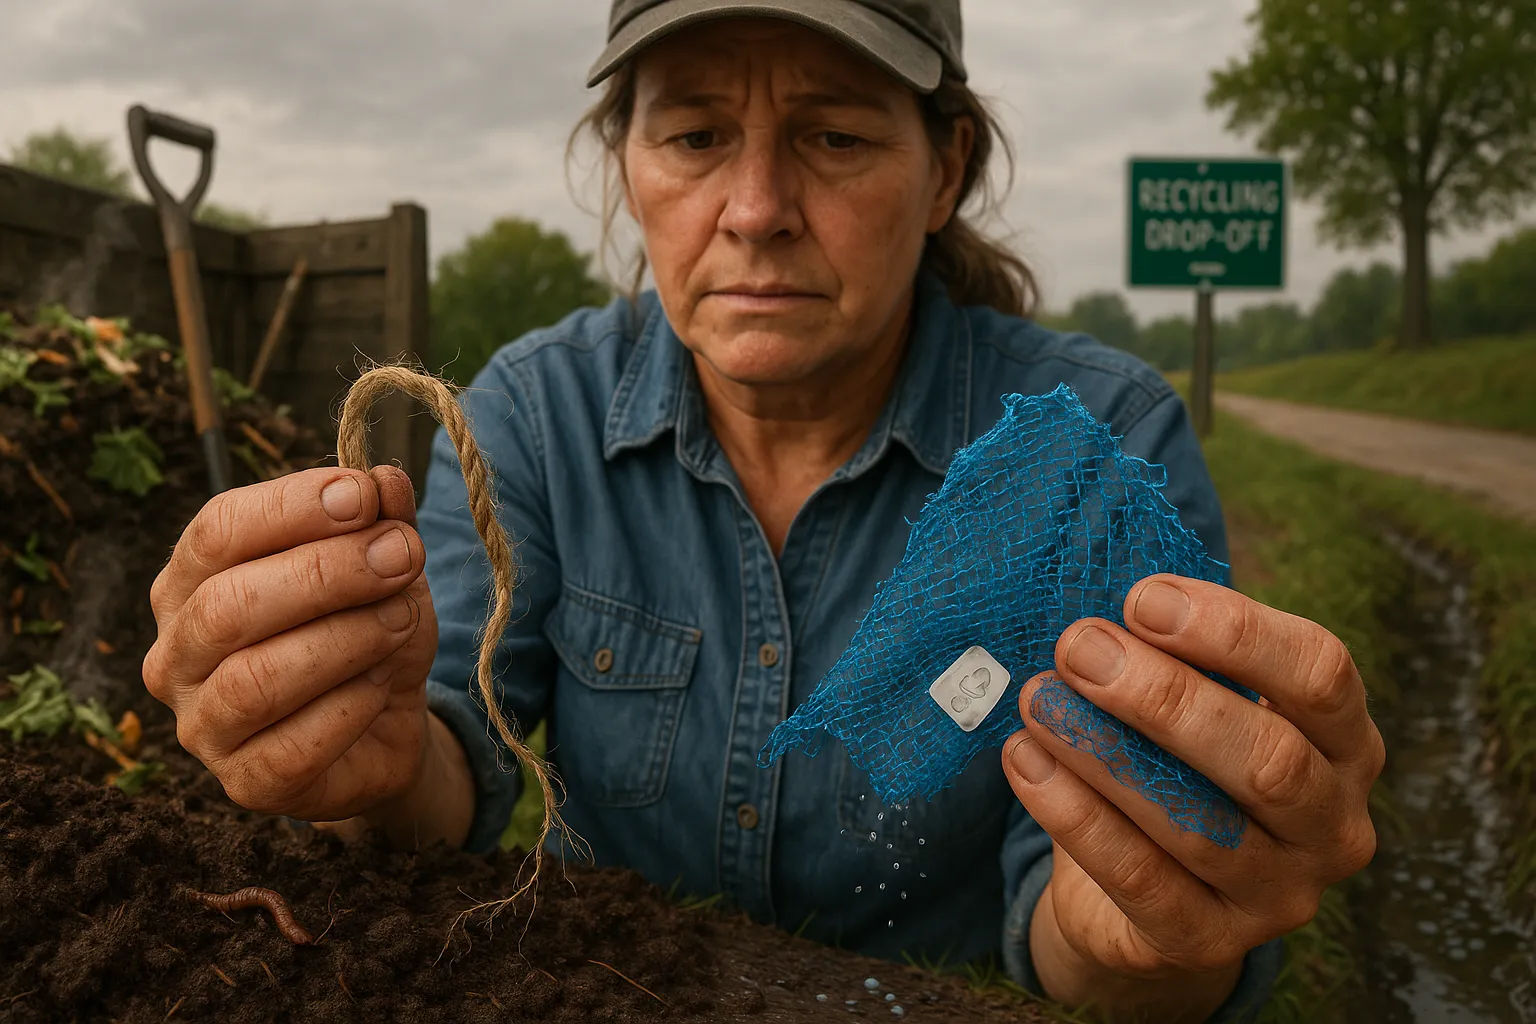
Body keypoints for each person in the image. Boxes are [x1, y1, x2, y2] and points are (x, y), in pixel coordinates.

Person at [143, 2, 1384, 1020]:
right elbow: (444, 770)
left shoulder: (1090, 455)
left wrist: (1147, 932)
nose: (753, 208)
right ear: (626, 165)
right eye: (692, 138)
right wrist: (363, 758)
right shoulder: (533, 414)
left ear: (944, 168)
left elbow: (1093, 940)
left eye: (835, 138)